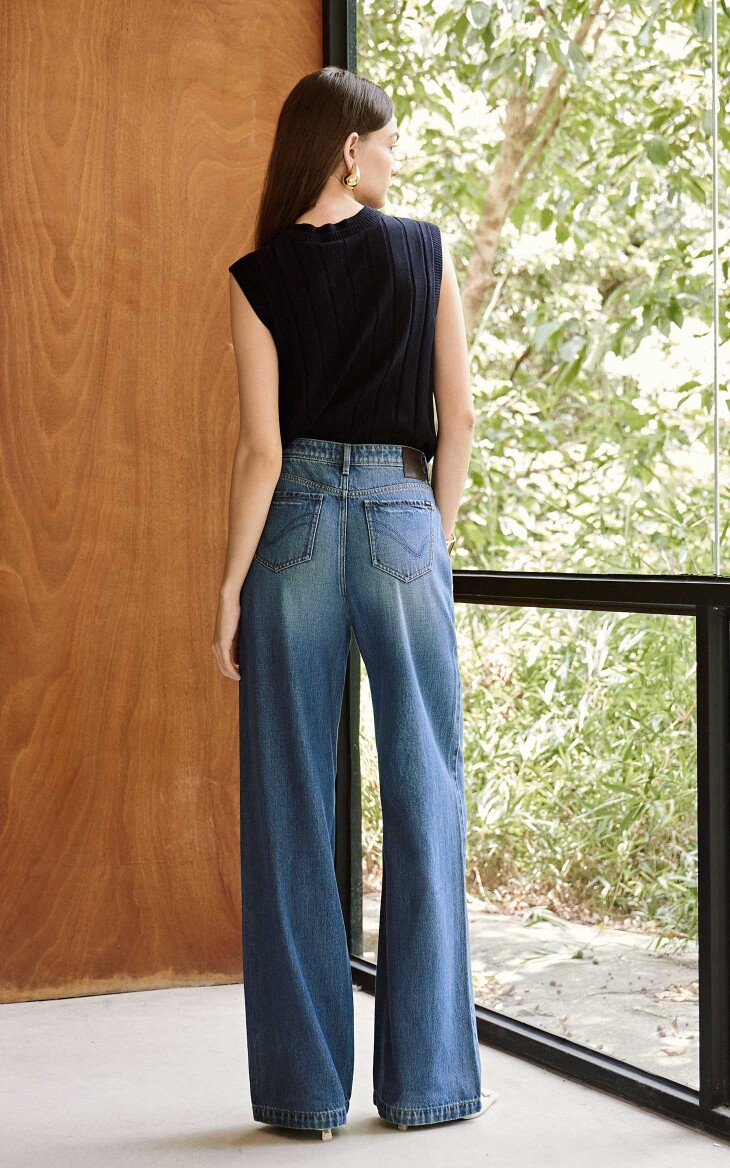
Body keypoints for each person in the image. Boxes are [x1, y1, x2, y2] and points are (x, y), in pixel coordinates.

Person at [212, 66, 491, 1139]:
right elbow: (459, 418)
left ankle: (304, 1093)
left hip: (291, 528)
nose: (392, 158)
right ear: (346, 148)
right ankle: (426, 1084)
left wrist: (230, 585)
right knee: (426, 790)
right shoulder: (424, 250)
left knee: (288, 800)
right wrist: (427, 535)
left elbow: (260, 451)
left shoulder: (257, 275)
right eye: (385, 142)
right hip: (400, 515)